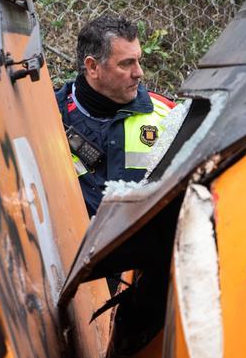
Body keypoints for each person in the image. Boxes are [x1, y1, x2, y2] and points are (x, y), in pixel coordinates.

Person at [55, 14, 175, 216]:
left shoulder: (168, 114)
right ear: (93, 67)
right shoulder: (47, 117)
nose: (139, 72)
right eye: (126, 63)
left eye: (138, 60)